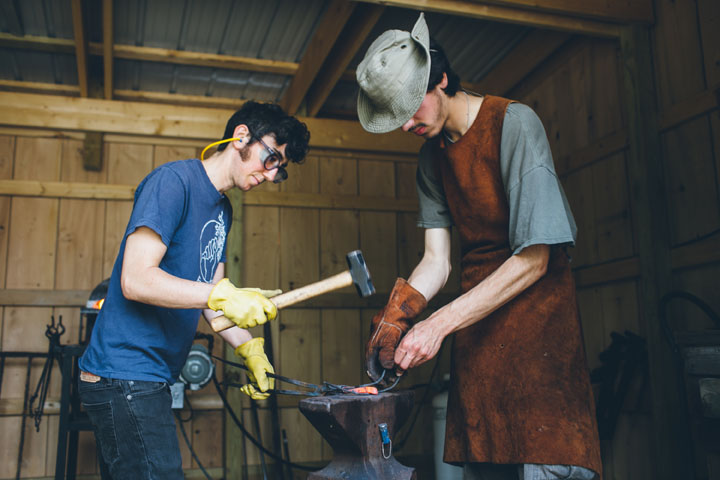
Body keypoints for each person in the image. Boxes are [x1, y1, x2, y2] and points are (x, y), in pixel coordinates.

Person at [357, 13, 602, 480]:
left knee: (545, 459)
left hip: (538, 328)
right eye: (396, 117)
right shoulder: (431, 160)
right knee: (486, 464)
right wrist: (400, 315)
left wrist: (438, 325)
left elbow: (535, 258)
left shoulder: (514, 123)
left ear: (442, 79)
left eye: (413, 106)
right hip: (477, 333)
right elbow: (437, 260)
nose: (407, 123)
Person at [78, 101, 310, 479]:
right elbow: (135, 280)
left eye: (279, 170)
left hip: (147, 379)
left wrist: (249, 347)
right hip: (122, 375)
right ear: (241, 137)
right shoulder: (173, 182)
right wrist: (221, 295)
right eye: (271, 159)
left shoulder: (223, 210)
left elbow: (211, 294)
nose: (271, 175)